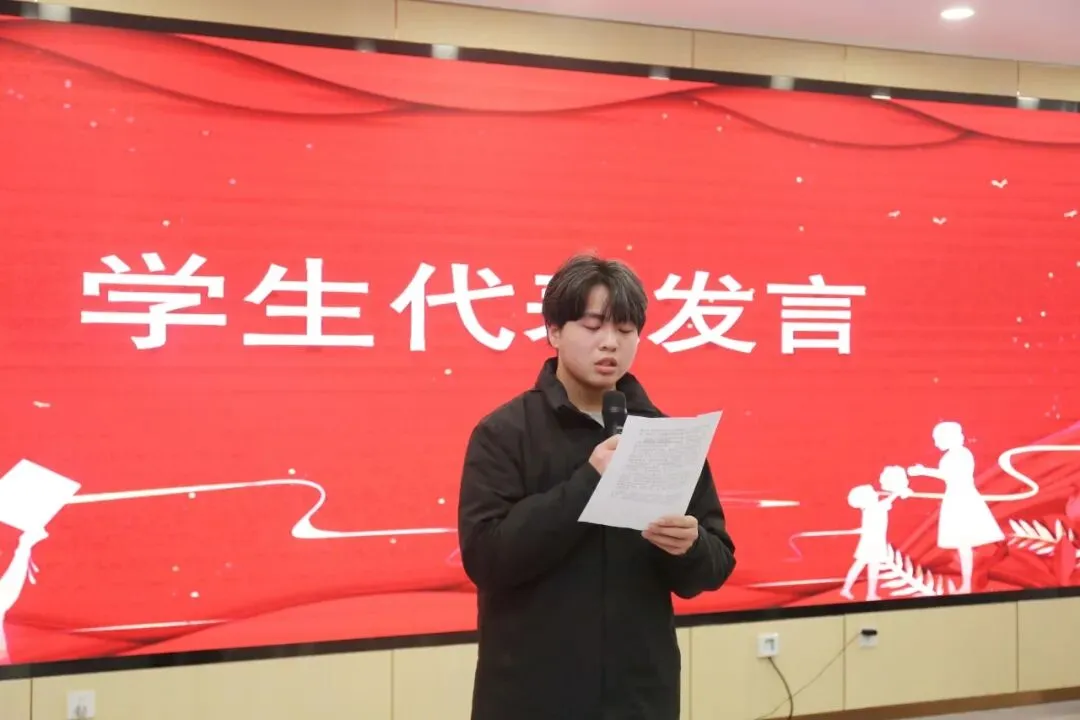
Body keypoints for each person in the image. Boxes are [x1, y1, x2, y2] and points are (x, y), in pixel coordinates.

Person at [457, 253, 736, 720]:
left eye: (625, 330)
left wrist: (690, 547)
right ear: (554, 331)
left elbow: (714, 566)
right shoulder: (505, 432)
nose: (610, 343)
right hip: (531, 696)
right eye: (592, 326)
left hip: (640, 696)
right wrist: (589, 481)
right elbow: (487, 558)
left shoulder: (663, 435)